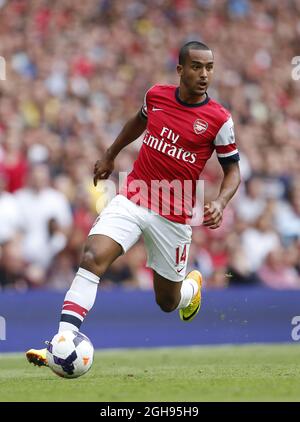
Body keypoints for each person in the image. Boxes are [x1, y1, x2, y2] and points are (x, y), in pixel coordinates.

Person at [26, 41, 241, 367]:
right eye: (196, 66)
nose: (204, 74)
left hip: (174, 215)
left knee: (167, 302)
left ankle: (190, 290)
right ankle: (64, 340)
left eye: (209, 67)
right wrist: (111, 154)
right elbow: (137, 122)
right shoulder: (156, 96)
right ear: (181, 69)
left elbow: (233, 171)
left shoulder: (219, 120)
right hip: (135, 195)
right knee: (92, 256)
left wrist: (222, 202)